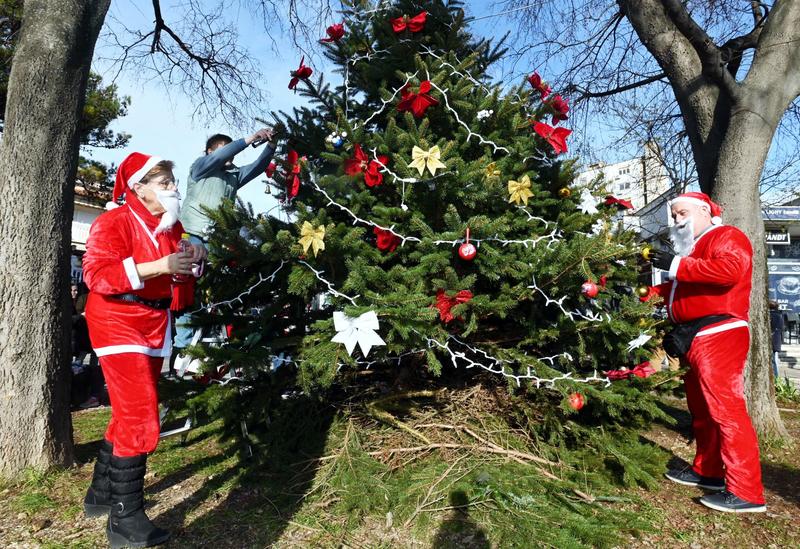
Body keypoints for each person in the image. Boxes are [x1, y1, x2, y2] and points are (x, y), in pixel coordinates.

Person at [81, 152, 207, 547]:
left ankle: (101, 494)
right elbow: (96, 275)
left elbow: (180, 277)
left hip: (155, 324)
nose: (173, 188)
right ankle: (125, 519)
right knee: (140, 415)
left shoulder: (173, 226)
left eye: (172, 181)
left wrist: (194, 261)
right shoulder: (112, 221)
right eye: (164, 182)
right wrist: (159, 266)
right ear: (138, 187)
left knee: (129, 410)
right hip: (116, 320)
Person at [644, 192, 765, 513]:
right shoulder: (694, 252)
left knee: (726, 411)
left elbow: (729, 271)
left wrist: (676, 265)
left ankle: (747, 491)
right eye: (673, 216)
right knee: (702, 411)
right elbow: (681, 288)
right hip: (692, 335)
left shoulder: (727, 236)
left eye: (681, 212)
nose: (676, 221)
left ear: (704, 211)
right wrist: (643, 292)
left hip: (718, 333)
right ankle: (708, 470)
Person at [172, 128, 276, 364]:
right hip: (193, 235)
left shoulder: (233, 176)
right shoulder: (201, 167)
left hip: (217, 241)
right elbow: (220, 156)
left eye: (232, 154)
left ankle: (222, 336)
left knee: (223, 286)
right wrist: (249, 139)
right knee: (190, 288)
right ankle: (183, 345)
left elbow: (258, 167)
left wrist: (270, 146)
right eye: (224, 152)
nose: (230, 157)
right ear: (209, 152)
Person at [769, 301, 784, 378]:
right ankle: (776, 377)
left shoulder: (770, 315)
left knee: (773, 361)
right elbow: (782, 328)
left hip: (771, 340)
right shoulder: (780, 316)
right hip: (776, 340)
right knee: (775, 359)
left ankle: (776, 377)